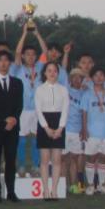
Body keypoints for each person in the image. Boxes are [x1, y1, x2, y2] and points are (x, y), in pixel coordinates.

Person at [0, 50, 24, 202]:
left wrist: (13, 119)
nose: (3, 63)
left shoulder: (17, 83)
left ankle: (11, 192)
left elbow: (19, 105)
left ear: (10, 63)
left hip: (13, 127)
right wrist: (4, 120)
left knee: (11, 160)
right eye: (0, 60)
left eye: (6, 60)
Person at [35, 62, 70, 199]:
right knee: (44, 160)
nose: (52, 73)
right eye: (49, 70)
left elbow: (65, 110)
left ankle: (54, 191)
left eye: (55, 71)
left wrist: (60, 128)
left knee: (57, 160)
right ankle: (45, 190)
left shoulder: (63, 89)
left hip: (59, 123)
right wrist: (46, 128)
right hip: (44, 124)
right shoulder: (39, 89)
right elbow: (38, 111)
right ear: (44, 73)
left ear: (58, 73)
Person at [81, 67, 105, 195]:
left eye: (101, 75)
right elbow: (84, 113)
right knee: (91, 158)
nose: (99, 77)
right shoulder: (87, 94)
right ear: (91, 78)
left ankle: (102, 185)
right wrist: (84, 129)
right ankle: (91, 185)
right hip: (92, 132)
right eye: (96, 75)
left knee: (104, 158)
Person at [14, 28, 43, 177]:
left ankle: (36, 166)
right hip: (23, 109)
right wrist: (25, 33)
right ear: (23, 56)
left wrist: (37, 34)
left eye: (33, 54)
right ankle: (21, 165)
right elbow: (17, 52)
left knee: (37, 139)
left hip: (38, 109)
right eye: (27, 54)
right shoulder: (18, 69)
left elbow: (46, 53)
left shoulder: (40, 68)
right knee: (22, 139)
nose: (30, 57)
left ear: (36, 57)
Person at [64, 69, 88, 194]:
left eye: (80, 77)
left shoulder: (85, 93)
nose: (77, 79)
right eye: (74, 77)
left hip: (77, 131)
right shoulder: (64, 90)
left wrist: (84, 129)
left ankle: (75, 185)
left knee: (75, 159)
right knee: (63, 159)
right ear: (70, 79)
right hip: (64, 129)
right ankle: (62, 185)